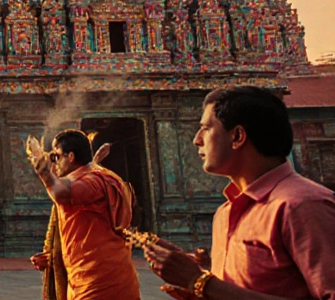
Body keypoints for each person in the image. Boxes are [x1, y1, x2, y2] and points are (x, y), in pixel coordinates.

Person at [142, 86, 335, 300]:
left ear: (237, 136)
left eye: (206, 128)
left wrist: (200, 282)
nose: (197, 140)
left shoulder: (301, 206)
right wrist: (196, 275)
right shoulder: (226, 212)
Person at [25, 130, 140, 300]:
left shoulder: (92, 182)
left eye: (56, 157)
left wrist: (42, 168)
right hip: (98, 279)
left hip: (97, 284)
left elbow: (62, 194)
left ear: (71, 157)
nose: (54, 163)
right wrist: (52, 256)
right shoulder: (102, 177)